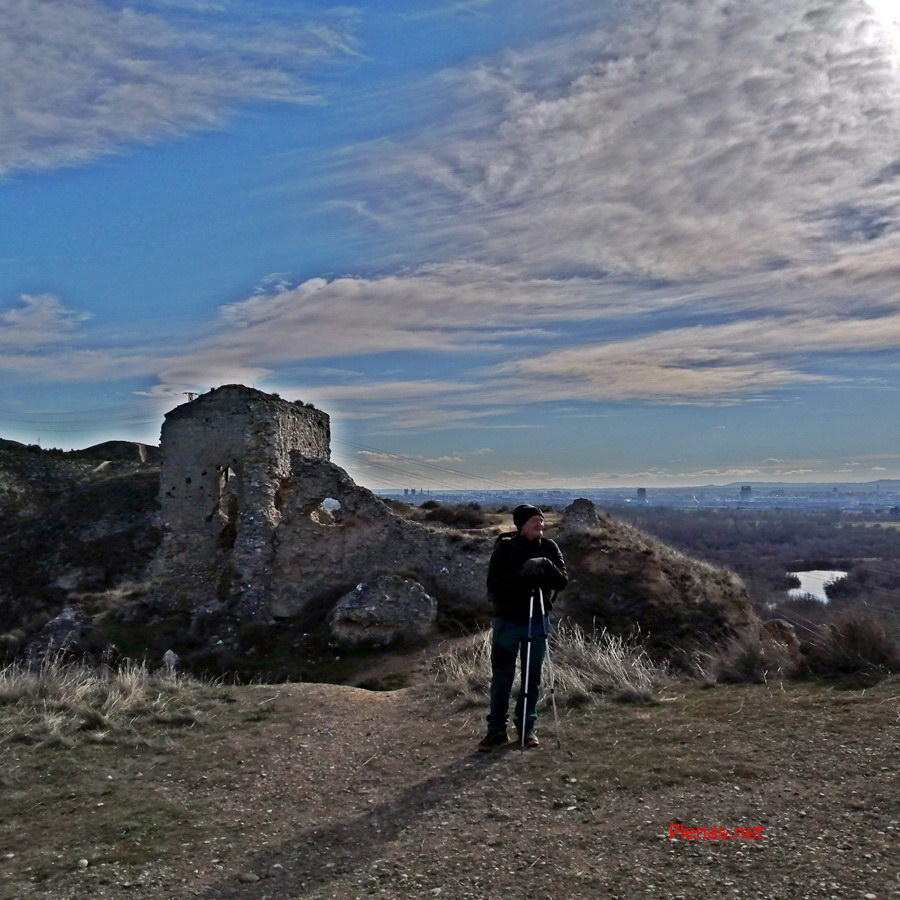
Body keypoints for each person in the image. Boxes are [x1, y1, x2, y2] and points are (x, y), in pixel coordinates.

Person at [478, 504, 567, 751]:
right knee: (502, 677)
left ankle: (527, 729)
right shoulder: (505, 548)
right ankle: (496, 730)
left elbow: (562, 581)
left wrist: (545, 565)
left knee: (532, 677)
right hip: (507, 620)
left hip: (536, 619)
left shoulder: (549, 548)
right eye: (534, 521)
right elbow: (494, 583)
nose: (540, 524)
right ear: (521, 525)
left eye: (541, 520)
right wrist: (522, 576)